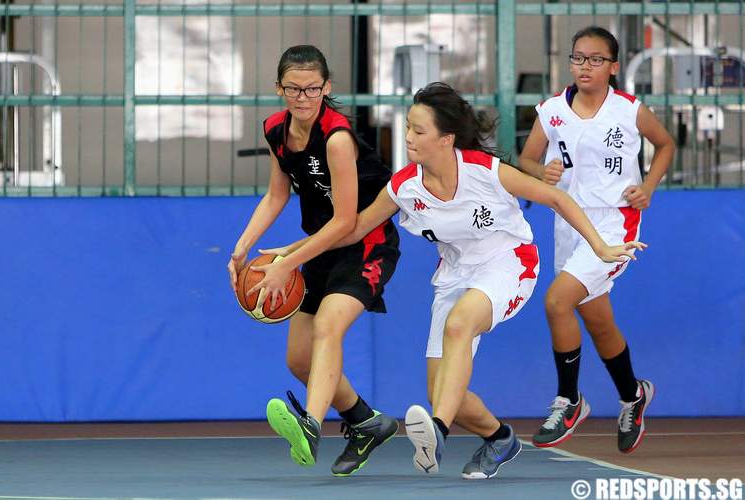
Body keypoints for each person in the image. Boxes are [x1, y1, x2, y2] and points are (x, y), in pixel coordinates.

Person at [300, 81, 644, 479]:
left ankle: (438, 433)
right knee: (446, 392)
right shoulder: (405, 187)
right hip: (454, 275)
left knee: (460, 325)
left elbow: (557, 198)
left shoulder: (485, 171)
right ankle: (500, 438)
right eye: (408, 128)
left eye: (418, 130)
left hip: (509, 264)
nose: (408, 137)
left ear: (446, 139)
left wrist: (600, 247)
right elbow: (354, 229)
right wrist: (290, 256)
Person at [227, 45, 400, 476]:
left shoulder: (337, 139)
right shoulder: (276, 131)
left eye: (311, 89)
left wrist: (287, 260)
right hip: (321, 243)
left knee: (328, 326)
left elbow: (346, 221)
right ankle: (366, 422)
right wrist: (242, 246)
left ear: (326, 88)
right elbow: (276, 194)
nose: (302, 98)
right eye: (293, 89)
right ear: (279, 89)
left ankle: (311, 424)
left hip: (365, 242)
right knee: (299, 359)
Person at [519, 26, 675, 453]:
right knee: (598, 321)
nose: (585, 66)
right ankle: (633, 395)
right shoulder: (551, 110)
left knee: (557, 302)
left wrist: (649, 185)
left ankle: (569, 400)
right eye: (579, 58)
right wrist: (540, 173)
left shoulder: (629, 110)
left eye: (595, 59)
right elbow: (527, 160)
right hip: (569, 224)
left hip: (614, 224)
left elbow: (664, 144)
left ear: (613, 66)